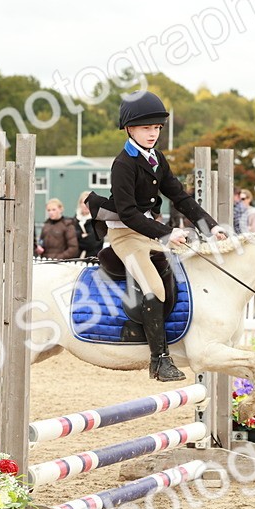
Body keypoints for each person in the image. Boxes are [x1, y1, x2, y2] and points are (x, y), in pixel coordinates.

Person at [85, 90, 228, 382]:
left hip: (148, 234)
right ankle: (159, 359)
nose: (152, 133)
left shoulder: (157, 159)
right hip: (126, 236)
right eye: (145, 127)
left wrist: (210, 226)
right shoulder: (123, 164)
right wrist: (166, 233)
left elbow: (180, 197)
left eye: (156, 128)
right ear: (129, 129)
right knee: (155, 288)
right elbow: (128, 214)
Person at [75, 191, 103, 258]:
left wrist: (79, 237)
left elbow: (92, 243)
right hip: (75, 258)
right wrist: (81, 235)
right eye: (83, 202)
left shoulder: (98, 221)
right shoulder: (74, 221)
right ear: (80, 204)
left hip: (93, 258)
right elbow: (71, 240)